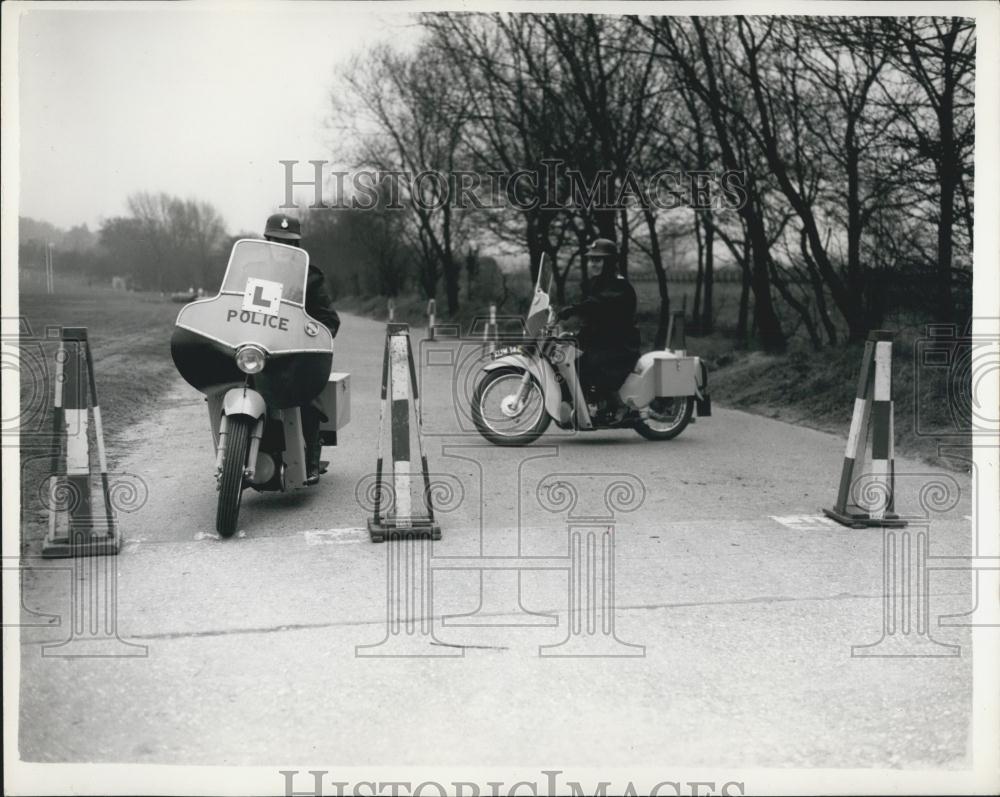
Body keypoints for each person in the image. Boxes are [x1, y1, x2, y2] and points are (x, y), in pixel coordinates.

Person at [263, 213, 341, 485]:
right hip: (259, 347)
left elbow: (329, 320)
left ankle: (311, 459)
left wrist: (312, 336)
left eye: (289, 244)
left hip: (294, 353)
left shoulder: (310, 277)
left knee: (306, 393)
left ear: (297, 247)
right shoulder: (254, 271)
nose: (282, 249)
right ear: (267, 242)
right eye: (276, 242)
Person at [557, 238, 640, 419]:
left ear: (609, 262)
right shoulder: (597, 282)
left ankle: (619, 406)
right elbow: (594, 319)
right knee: (570, 359)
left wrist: (573, 309)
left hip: (620, 343)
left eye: (598, 259)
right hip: (602, 339)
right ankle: (586, 403)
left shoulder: (618, 285)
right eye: (592, 260)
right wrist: (576, 334)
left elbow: (597, 304)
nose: (593, 263)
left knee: (591, 362)